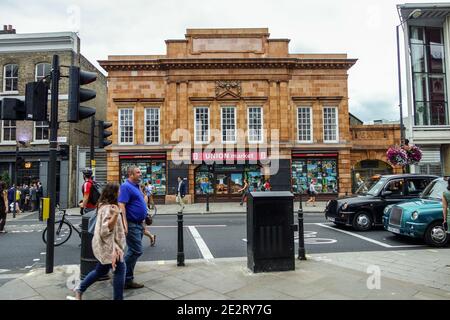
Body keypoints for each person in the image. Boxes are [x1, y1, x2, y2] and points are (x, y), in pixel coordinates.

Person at [74, 183, 126, 300]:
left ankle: (79, 289)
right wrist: (117, 213)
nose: (120, 193)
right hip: (111, 248)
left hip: (106, 246)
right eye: (118, 191)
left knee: (100, 270)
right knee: (120, 271)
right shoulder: (110, 209)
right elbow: (105, 229)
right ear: (113, 193)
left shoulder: (106, 206)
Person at [118, 166, 147, 289]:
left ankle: (127, 279)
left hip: (139, 224)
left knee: (132, 251)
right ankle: (121, 275)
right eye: (138, 172)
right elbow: (121, 206)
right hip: (131, 224)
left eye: (140, 172)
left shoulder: (136, 186)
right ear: (130, 174)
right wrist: (125, 224)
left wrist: (144, 219)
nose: (141, 174)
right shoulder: (125, 187)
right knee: (136, 251)